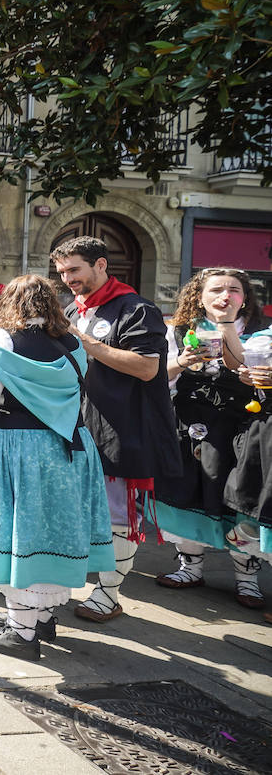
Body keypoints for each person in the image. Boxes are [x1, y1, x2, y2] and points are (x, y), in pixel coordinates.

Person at [0, 275, 115, 659]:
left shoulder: (1, 338)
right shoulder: (73, 342)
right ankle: (39, 616)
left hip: (20, 445)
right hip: (69, 446)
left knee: (21, 530)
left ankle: (20, 633)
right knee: (51, 532)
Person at [53, 236, 181, 624]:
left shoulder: (137, 309)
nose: (68, 279)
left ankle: (109, 593)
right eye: (61, 273)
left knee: (117, 517)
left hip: (124, 428)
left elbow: (146, 368)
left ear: (102, 265)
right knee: (77, 513)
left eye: (74, 270)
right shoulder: (70, 309)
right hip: (78, 426)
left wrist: (84, 340)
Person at [153, 269, 266, 608]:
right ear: (199, 296)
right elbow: (158, 375)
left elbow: (253, 370)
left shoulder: (260, 333)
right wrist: (181, 362)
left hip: (240, 426)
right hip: (190, 421)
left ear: (244, 297)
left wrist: (228, 326)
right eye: (216, 289)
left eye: (234, 289)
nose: (225, 295)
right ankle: (190, 566)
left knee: (237, 497)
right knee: (188, 489)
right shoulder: (180, 328)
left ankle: (247, 577)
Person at [227, 329, 272, 625]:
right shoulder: (264, 335)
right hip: (265, 427)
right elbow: (238, 363)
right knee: (255, 508)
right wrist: (247, 377)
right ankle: (246, 561)